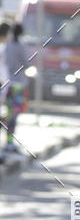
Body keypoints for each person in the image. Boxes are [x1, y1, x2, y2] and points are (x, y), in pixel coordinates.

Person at [3, 23, 29, 153]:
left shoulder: (7, 45)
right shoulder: (21, 45)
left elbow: (6, 62)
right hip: (18, 85)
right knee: (14, 116)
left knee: (9, 114)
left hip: (8, 84)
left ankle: (9, 142)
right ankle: (9, 143)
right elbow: (26, 63)